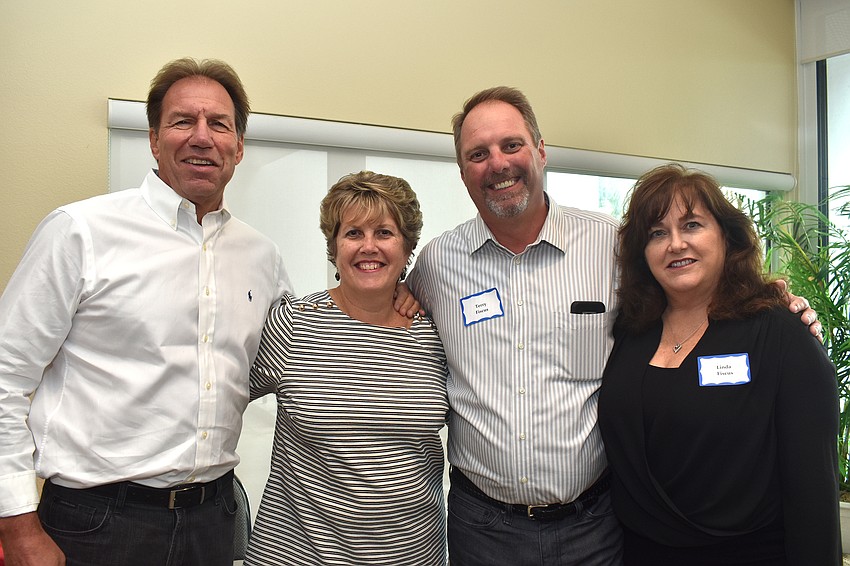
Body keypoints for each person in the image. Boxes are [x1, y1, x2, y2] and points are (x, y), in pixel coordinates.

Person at [399, 87, 823, 566]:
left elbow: (689, 282)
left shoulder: (611, 248)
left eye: (511, 145)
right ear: (462, 172)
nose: (498, 163)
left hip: (593, 525)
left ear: (540, 151)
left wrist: (776, 300)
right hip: (483, 528)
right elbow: (391, 304)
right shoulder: (438, 264)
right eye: (478, 154)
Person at [0, 58, 292, 566]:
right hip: (97, 524)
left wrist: (401, 295)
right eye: (182, 121)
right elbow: (7, 375)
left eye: (219, 124)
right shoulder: (79, 232)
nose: (201, 137)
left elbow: (304, 352)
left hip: (215, 520)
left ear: (239, 146)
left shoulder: (261, 256)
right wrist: (17, 525)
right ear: (154, 139)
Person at [597, 163, 840, 565]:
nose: (675, 244)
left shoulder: (780, 334)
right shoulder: (630, 330)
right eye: (657, 233)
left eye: (691, 225)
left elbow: (812, 491)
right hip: (638, 552)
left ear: (727, 236)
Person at [244, 171, 449, 566]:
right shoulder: (294, 325)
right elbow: (215, 399)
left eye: (384, 233)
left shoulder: (435, 333)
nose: (368, 247)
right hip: (298, 556)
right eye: (353, 233)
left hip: (411, 556)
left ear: (408, 247)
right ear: (334, 247)